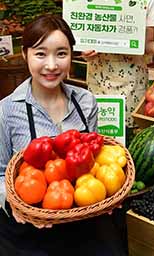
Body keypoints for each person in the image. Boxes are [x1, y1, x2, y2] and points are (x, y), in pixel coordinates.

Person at [0, 15, 121, 256]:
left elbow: (95, 162)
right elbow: (0, 170)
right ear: (25, 55)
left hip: (85, 224)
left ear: (72, 55)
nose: (52, 65)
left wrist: (108, 192)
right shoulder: (7, 110)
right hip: (31, 231)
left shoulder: (86, 102)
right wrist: (11, 201)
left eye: (62, 54)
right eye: (41, 54)